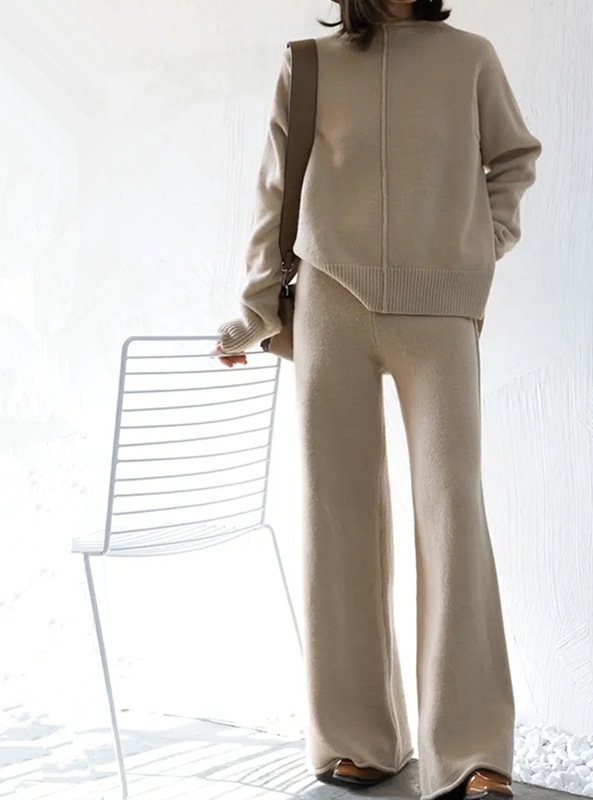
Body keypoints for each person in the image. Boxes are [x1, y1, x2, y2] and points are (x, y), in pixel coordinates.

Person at [214, 2, 542, 799]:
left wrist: (479, 242)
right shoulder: (309, 64)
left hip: (440, 308)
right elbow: (274, 193)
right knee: (338, 518)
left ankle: (472, 752)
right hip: (331, 303)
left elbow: (513, 158)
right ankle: (358, 738)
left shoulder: (471, 57)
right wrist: (255, 311)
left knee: (452, 514)